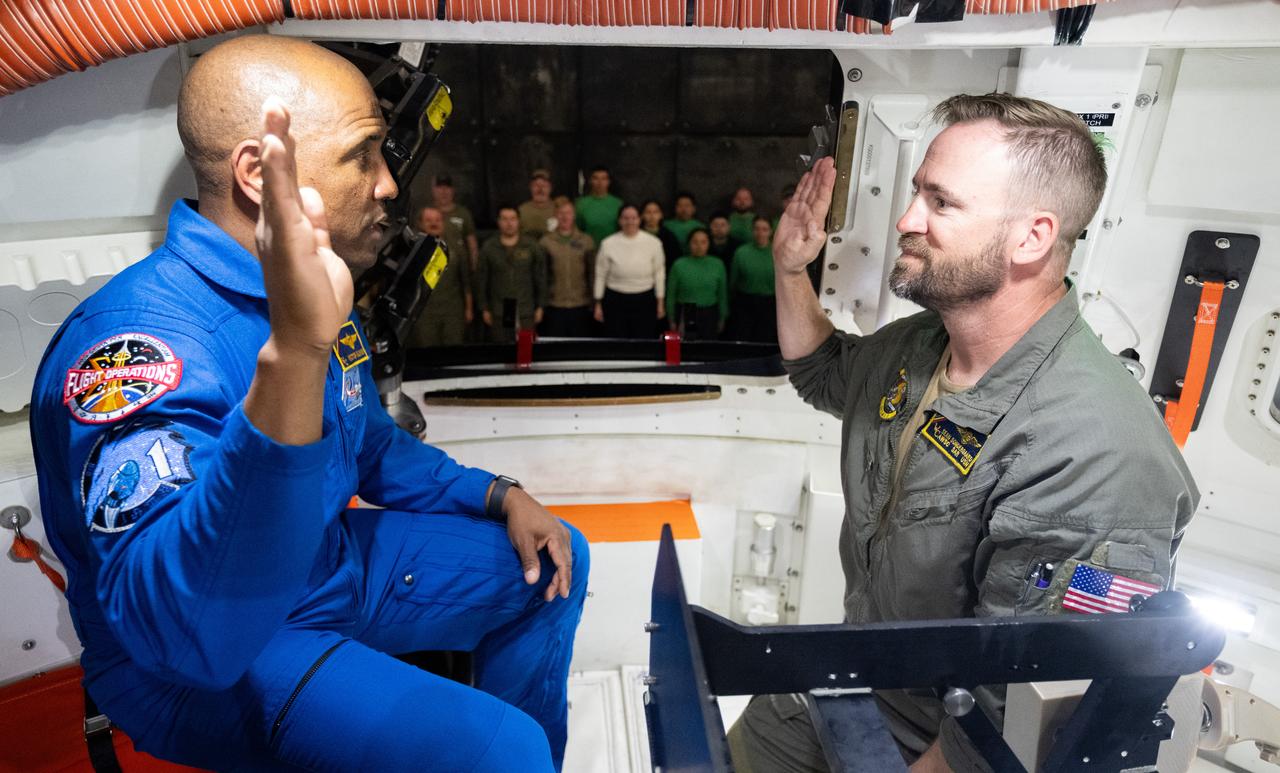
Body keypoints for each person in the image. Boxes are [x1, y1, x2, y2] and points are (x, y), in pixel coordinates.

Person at [29, 35, 588, 773]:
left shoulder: (319, 290)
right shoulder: (137, 349)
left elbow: (372, 447)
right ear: (259, 174)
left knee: (553, 561)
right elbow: (187, 630)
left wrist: (497, 493)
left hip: (325, 568)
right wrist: (294, 353)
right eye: (365, 154)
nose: (389, 184)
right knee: (501, 752)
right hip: (213, 649)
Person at [728, 93, 1197, 772]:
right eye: (917, 191)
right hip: (857, 675)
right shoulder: (923, 346)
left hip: (946, 738)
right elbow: (821, 372)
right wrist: (790, 267)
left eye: (940, 203)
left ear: (1030, 237)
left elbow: (1011, 716)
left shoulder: (1095, 453)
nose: (906, 218)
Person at [475, 205, 548, 342]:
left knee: (525, 350)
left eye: (513, 219)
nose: (509, 223)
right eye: (505, 219)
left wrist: (541, 305)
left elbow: (540, 277)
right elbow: (482, 279)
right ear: (498, 222)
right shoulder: (489, 247)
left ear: (519, 221)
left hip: (525, 307)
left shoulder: (531, 246)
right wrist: (484, 307)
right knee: (503, 350)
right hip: (500, 308)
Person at [593, 203, 665, 338]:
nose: (630, 222)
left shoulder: (654, 243)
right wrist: (598, 303)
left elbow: (659, 273)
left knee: (643, 338)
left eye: (633, 218)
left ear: (640, 219)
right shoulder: (608, 243)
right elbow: (600, 274)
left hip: (644, 298)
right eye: (625, 218)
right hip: (615, 298)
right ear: (620, 220)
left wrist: (660, 302)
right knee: (616, 339)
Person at [407, 205, 472, 347]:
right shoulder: (412, 250)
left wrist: (469, 308)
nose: (434, 223)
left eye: (438, 220)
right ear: (420, 224)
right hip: (424, 312)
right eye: (429, 220)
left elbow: (466, 280)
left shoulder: (456, 248)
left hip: (453, 310)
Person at [539, 196, 596, 337]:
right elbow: (541, 275)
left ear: (574, 215)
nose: (565, 217)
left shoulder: (586, 241)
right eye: (561, 213)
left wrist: (594, 301)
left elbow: (592, 274)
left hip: (581, 304)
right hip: (555, 305)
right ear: (555, 216)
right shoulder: (546, 242)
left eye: (568, 213)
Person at [666, 229, 728, 341]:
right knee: (689, 349)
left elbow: (722, 294)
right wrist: (671, 319)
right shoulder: (679, 265)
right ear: (689, 244)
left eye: (703, 242)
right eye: (695, 242)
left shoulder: (717, 264)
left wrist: (723, 317)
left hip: (709, 312)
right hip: (688, 312)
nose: (699, 246)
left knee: (708, 349)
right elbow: (671, 294)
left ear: (709, 243)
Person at [728, 216, 778, 343]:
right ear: (752, 230)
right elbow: (733, 281)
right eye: (756, 229)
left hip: (769, 303)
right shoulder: (741, 252)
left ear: (771, 231)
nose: (760, 233)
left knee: (764, 339)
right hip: (745, 302)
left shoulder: (777, 252)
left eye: (764, 229)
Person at [432, 173, 479, 270]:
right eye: (440, 187)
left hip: (460, 269)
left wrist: (474, 268)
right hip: (433, 267)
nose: (444, 191)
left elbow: (472, 245)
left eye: (447, 187)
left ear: (453, 190)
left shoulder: (463, 214)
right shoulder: (427, 214)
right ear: (434, 190)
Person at [575, 165, 623, 246]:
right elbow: (576, 231)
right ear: (590, 181)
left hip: (613, 250)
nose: (600, 182)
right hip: (588, 250)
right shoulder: (581, 204)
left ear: (608, 182)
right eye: (596, 178)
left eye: (603, 179)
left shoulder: (618, 204)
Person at [640, 198, 683, 270]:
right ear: (642, 215)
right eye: (648, 212)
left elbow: (674, 260)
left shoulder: (669, 236)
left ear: (661, 215)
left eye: (655, 212)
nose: (652, 216)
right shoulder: (636, 235)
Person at [519, 168, 557, 241]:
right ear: (530, 188)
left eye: (544, 186)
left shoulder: (558, 210)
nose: (540, 189)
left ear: (550, 188)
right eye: (536, 185)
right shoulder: (521, 210)